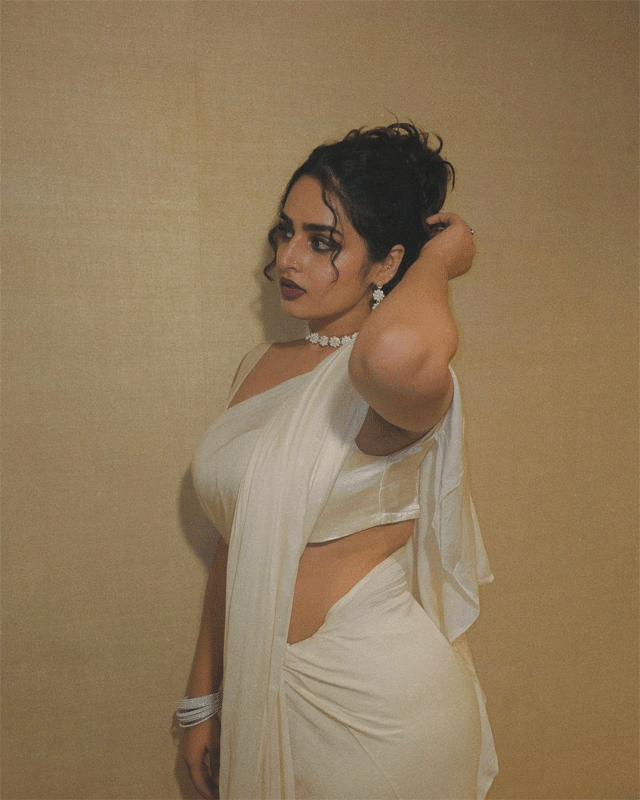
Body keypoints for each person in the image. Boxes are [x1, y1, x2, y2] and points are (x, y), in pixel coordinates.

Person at [179, 123, 498, 800]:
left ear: (385, 263)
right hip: (268, 692)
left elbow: (392, 351)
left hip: (380, 712)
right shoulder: (259, 366)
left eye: (322, 242)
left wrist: (439, 260)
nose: (289, 258)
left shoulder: (388, 379)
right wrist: (203, 697)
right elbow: (238, 537)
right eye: (285, 232)